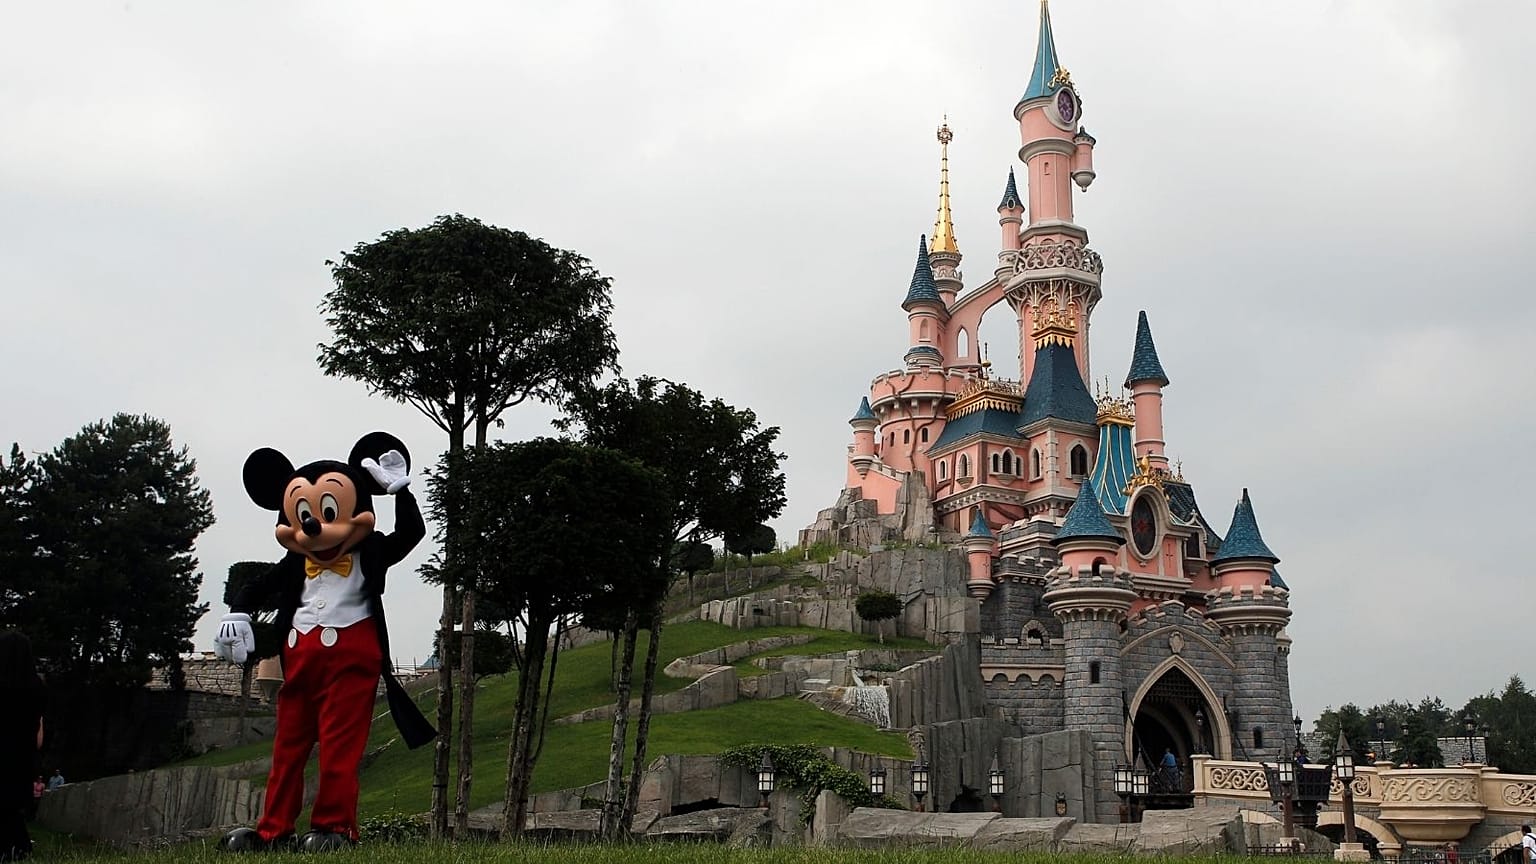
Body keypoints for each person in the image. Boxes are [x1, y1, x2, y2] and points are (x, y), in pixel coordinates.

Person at [0, 631, 45, 862]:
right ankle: (17, 848)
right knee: (11, 811)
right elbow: (39, 738)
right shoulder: (35, 687)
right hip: (22, 759)